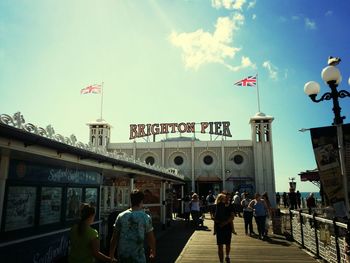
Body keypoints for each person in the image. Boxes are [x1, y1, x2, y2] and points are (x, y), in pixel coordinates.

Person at [109, 189, 156, 263]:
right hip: (138, 257)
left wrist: (111, 255)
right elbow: (151, 238)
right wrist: (153, 250)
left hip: (123, 256)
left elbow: (114, 237)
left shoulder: (121, 216)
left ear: (131, 200)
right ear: (141, 201)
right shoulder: (145, 217)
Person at [214, 193, 235, 263]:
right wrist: (215, 228)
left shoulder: (229, 206)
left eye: (224, 198)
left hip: (227, 227)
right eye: (221, 199)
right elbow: (215, 218)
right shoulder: (216, 206)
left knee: (227, 244)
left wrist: (225, 223)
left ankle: (227, 255)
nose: (223, 200)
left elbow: (232, 217)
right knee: (220, 246)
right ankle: (221, 261)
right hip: (219, 227)